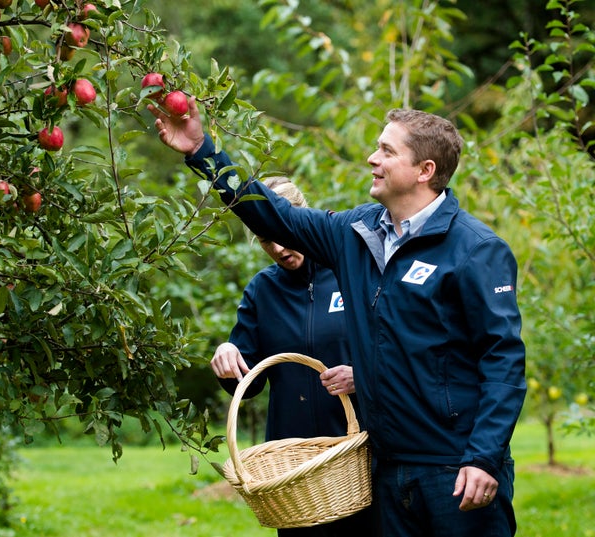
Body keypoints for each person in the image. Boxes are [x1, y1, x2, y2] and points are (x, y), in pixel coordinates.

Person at [149, 98, 527, 537]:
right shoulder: (355, 234)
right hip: (386, 469)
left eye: (387, 151)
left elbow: (503, 362)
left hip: (455, 469)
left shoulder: (476, 250)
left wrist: (483, 457)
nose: (373, 158)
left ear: (424, 170)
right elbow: (274, 213)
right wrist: (203, 152)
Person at [210, 175, 373, 537]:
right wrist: (226, 356)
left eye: (286, 234)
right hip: (293, 470)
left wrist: (360, 375)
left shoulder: (350, 274)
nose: (281, 248)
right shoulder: (262, 290)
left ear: (303, 220)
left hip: (356, 457)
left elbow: (391, 349)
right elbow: (247, 382)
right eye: (268, 240)